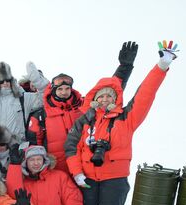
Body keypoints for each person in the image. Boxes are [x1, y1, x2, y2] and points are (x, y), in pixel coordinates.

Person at [64, 40, 179, 205]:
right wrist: (76, 174)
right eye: (101, 96)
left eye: (109, 96)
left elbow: (145, 93)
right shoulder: (85, 120)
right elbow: (71, 148)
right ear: (95, 98)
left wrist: (162, 65)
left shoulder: (127, 118)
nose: (105, 100)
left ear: (115, 98)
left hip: (114, 181)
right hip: (86, 177)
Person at [28, 42, 139, 175]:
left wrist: (124, 67)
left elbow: (110, 90)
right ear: (53, 90)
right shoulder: (41, 115)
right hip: (54, 171)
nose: (64, 92)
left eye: (67, 88)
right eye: (60, 89)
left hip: (82, 168)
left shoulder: (84, 107)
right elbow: (34, 147)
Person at [0, 61, 49, 143]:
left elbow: (44, 98)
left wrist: (37, 80)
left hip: (18, 145)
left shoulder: (24, 97)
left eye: (8, 80)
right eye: (1, 81)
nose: (5, 83)